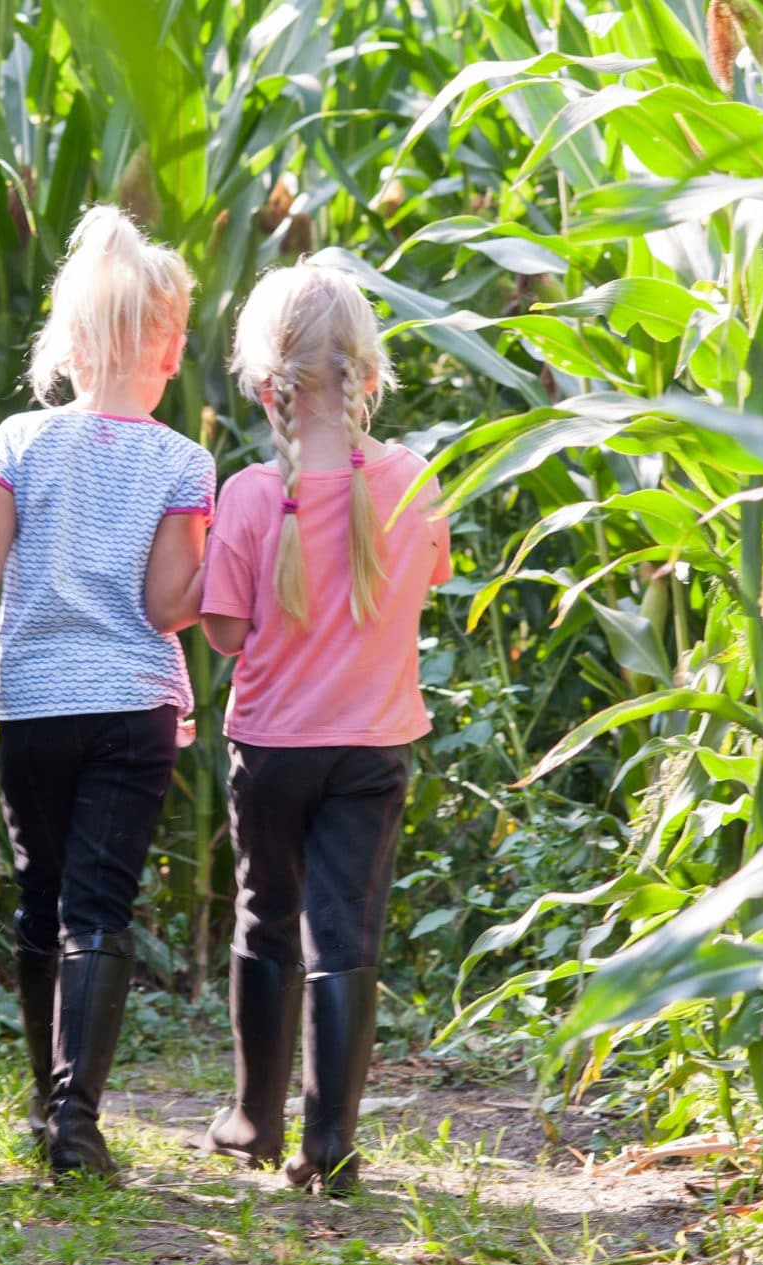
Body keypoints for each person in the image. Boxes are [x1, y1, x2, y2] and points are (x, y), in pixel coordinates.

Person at [0, 205, 214, 1180]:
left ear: (72, 341)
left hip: (37, 707)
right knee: (99, 907)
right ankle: (75, 1121)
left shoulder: (18, 440)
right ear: (166, 347)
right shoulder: (183, 462)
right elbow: (166, 603)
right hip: (132, 706)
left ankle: (43, 1108)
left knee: (41, 900)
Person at [197, 264, 452, 1195]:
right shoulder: (415, 479)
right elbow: (424, 584)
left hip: (271, 748)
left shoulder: (252, 495)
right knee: (345, 931)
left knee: (266, 918)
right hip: (374, 743)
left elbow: (223, 632)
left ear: (269, 386)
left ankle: (253, 1122)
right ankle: (331, 1140)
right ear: (367, 378)